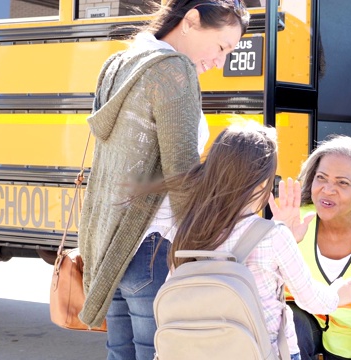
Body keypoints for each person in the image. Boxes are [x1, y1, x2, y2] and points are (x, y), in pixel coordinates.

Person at [77, 1, 250, 359]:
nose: (220, 62)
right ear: (191, 21)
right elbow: (182, 172)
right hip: (153, 247)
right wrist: (204, 249)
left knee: (120, 354)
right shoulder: (174, 70)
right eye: (221, 47)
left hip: (109, 245)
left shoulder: (121, 62)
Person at [159, 122, 351, 360]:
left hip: (200, 352)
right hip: (261, 352)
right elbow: (311, 299)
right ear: (260, 184)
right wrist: (338, 294)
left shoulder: (189, 229)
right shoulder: (274, 235)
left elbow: (174, 291)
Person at [269, 135, 351, 360]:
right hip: (299, 332)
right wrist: (282, 238)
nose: (327, 189)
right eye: (321, 178)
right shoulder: (295, 220)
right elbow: (264, 289)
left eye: (342, 182)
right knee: (294, 323)